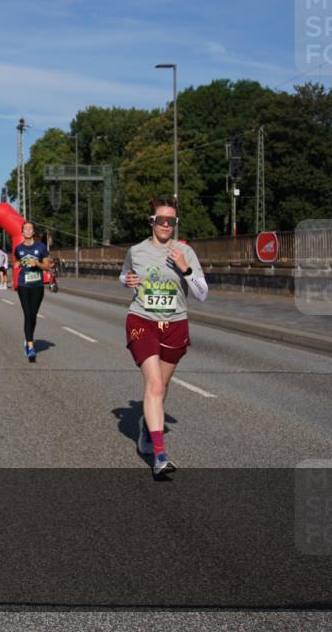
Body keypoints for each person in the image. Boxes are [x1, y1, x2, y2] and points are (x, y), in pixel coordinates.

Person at [120, 197, 207, 477]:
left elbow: (202, 294)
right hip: (141, 319)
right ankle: (160, 455)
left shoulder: (185, 252)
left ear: (176, 223)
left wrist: (186, 269)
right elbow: (124, 276)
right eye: (161, 220)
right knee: (155, 385)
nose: (166, 225)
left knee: (163, 386)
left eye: (171, 221)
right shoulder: (137, 251)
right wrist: (128, 281)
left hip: (175, 325)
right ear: (152, 222)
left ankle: (147, 426)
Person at [13, 223, 50, 362]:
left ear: (33, 231)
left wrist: (38, 264)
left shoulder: (41, 247)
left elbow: (47, 266)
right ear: (22, 232)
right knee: (27, 314)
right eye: (25, 229)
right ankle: (30, 346)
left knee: (33, 315)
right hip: (23, 284)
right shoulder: (19, 248)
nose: (28, 230)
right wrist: (21, 263)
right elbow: (15, 264)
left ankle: (28, 339)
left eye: (30, 228)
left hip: (37, 285)